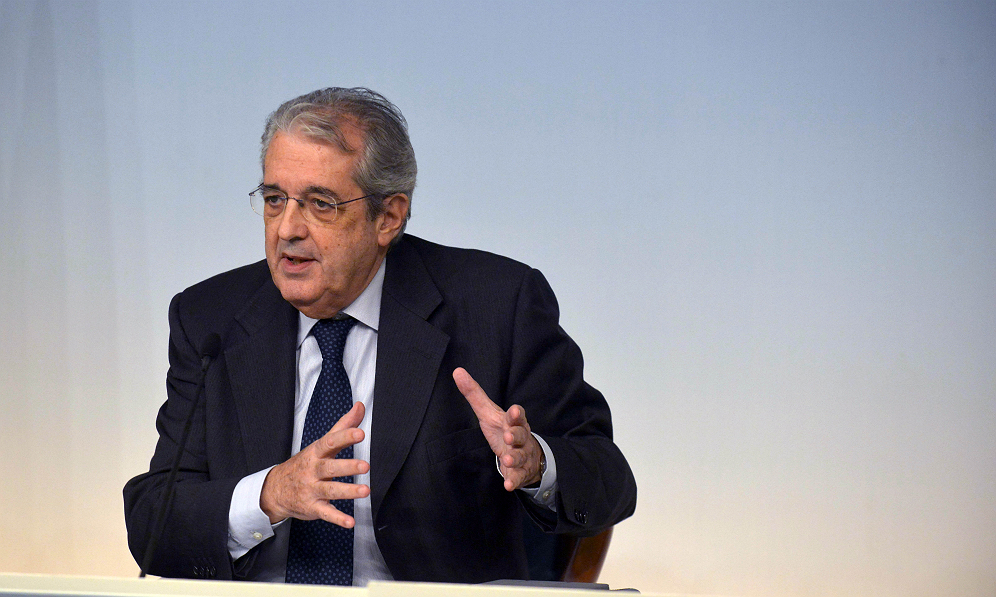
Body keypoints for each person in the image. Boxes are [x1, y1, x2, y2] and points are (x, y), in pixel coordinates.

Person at [123, 87, 636, 585]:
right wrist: (270, 493)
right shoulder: (210, 318)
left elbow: (608, 479)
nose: (286, 229)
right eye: (275, 199)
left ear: (388, 217)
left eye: (321, 204)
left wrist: (537, 462)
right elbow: (153, 521)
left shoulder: (496, 307)